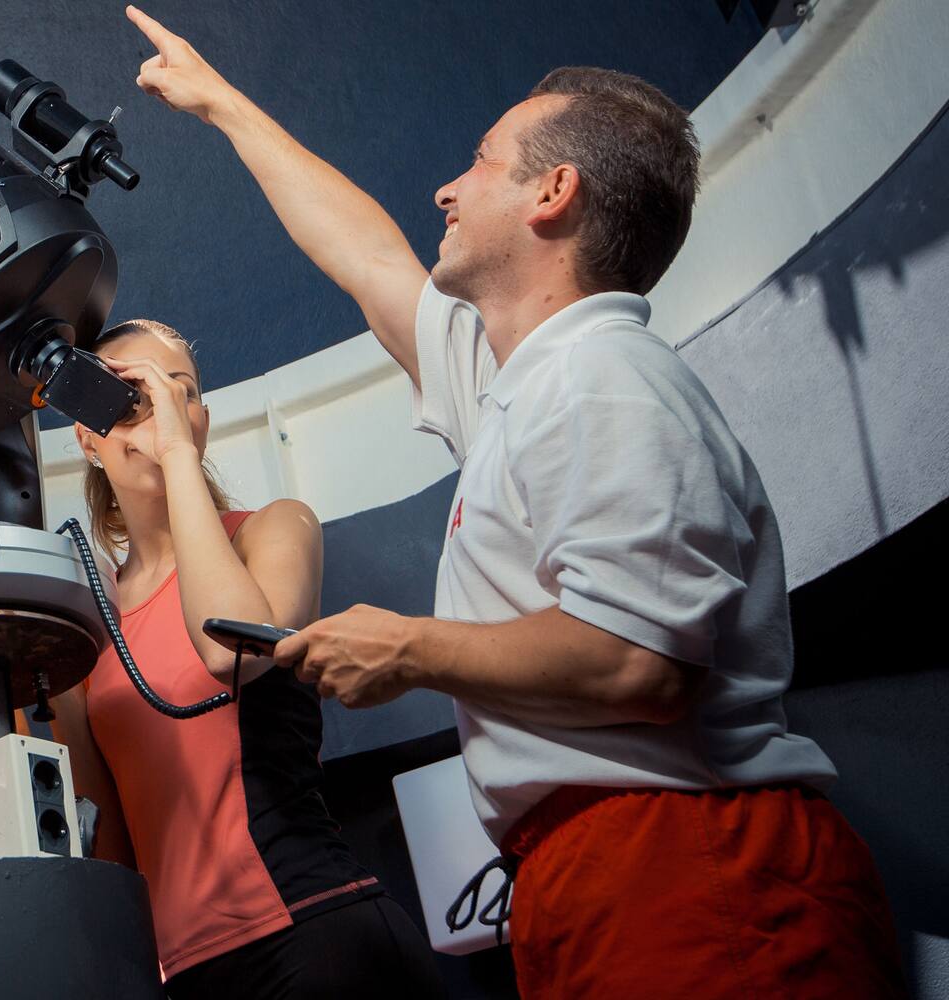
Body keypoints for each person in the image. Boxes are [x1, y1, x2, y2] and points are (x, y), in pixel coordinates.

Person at [124, 6, 904, 997]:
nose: (445, 189)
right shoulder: (517, 384)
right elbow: (367, 258)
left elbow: (639, 661)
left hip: (690, 865)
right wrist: (220, 103)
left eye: (479, 164)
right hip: (584, 876)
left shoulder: (603, 376)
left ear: (551, 191)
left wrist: (407, 647)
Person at [50, 318, 442, 998]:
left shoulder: (273, 529)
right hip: (187, 969)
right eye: (136, 393)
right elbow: (106, 840)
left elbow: (226, 644)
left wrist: (175, 458)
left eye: (185, 392)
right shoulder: (94, 622)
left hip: (313, 931)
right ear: (87, 434)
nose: (168, 406)